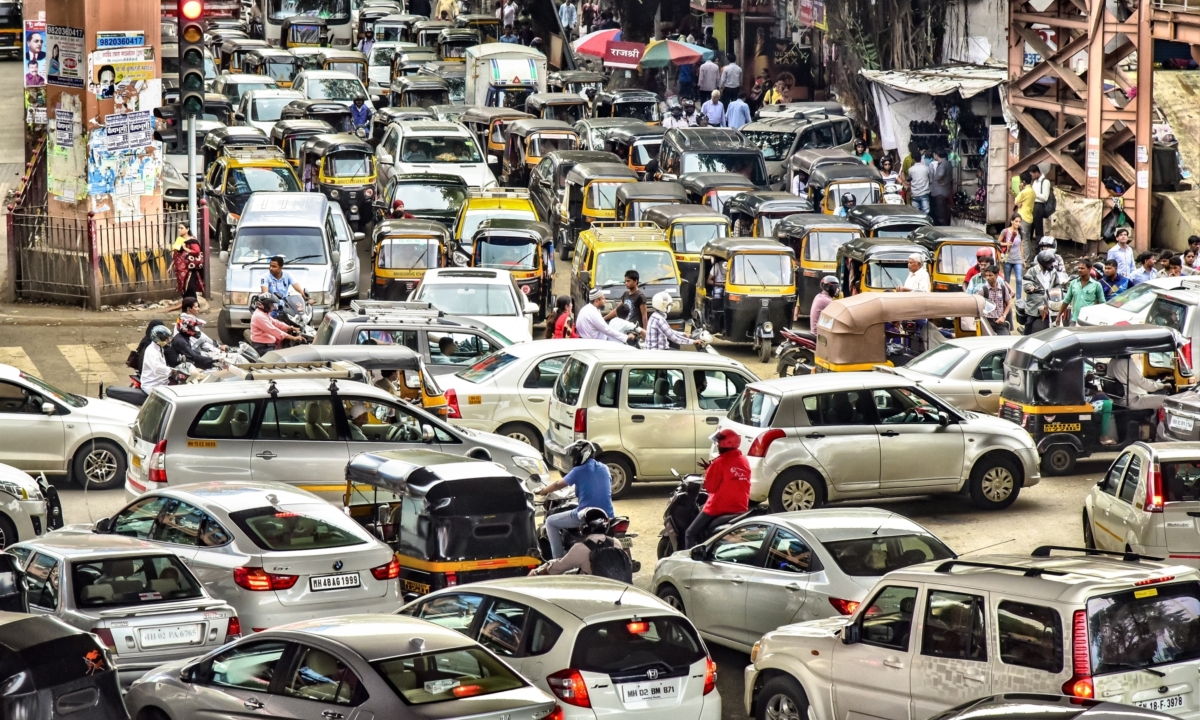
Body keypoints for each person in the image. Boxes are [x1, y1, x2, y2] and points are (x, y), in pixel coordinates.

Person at [534, 440, 614, 559]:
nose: (572, 459)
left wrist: (543, 491)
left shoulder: (578, 471)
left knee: (550, 522)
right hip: (609, 515)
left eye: (574, 456)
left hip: (586, 515)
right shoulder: (604, 468)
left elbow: (557, 485)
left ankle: (558, 560)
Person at [684, 428, 750, 549]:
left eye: (718, 443)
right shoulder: (744, 460)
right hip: (741, 506)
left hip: (719, 507)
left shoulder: (719, 462)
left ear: (725, 443)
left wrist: (709, 470)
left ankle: (689, 561)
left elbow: (711, 488)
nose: (717, 445)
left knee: (689, 533)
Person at [529, 507, 629, 580]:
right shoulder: (615, 542)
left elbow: (556, 568)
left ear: (585, 527)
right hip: (618, 589)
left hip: (596, 593)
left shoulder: (580, 548)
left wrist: (536, 573)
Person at [1022, 250, 1064, 335]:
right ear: (1043, 263)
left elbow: (1057, 284)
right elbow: (1026, 283)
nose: (1051, 265)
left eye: (1052, 263)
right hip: (1036, 301)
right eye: (1049, 263)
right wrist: (1030, 287)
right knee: (1029, 322)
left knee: (1057, 318)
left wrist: (1059, 290)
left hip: (1050, 300)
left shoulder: (1053, 272)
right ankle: (1025, 337)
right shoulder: (1032, 271)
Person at [1063, 258, 1105, 325]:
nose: (1079, 270)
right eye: (1079, 268)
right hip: (1075, 319)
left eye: (1082, 268)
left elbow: (1102, 303)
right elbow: (1066, 300)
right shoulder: (1073, 283)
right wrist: (1059, 315)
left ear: (1089, 269)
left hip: (1089, 320)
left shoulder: (1097, 285)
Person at [974, 265, 1014, 335]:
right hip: (987, 322)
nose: (987, 278)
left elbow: (1008, 304)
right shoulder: (983, 290)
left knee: (1006, 340)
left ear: (996, 275)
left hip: (1000, 321)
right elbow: (976, 303)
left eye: (990, 275)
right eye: (986, 276)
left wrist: (1003, 316)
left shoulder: (1003, 289)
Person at [141, 325, 174, 394]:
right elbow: (157, 368)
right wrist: (172, 371)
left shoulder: (159, 348)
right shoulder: (152, 351)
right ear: (158, 339)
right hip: (152, 385)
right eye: (166, 339)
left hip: (161, 381)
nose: (168, 341)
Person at [172, 229, 204, 299]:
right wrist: (171, 265)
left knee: (189, 287)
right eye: (179, 228)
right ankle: (187, 305)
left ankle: (193, 305)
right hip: (180, 269)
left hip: (190, 267)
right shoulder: (179, 239)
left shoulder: (192, 240)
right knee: (183, 288)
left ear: (187, 229)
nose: (179, 230)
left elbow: (196, 252)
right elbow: (176, 254)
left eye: (181, 228)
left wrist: (185, 248)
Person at [999, 213, 1023, 299]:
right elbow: (998, 243)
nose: (1018, 223)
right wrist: (1006, 244)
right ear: (1012, 221)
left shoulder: (1020, 232)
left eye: (1019, 222)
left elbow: (1021, 246)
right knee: (1007, 280)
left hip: (1018, 259)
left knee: (1019, 280)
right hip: (1007, 258)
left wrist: (1023, 260)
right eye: (1016, 221)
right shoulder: (1005, 231)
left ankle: (1019, 300)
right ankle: (1007, 297)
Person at [1014, 172, 1035, 265]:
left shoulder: (1024, 192)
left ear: (1023, 182)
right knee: (1027, 239)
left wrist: (1020, 190)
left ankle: (1026, 259)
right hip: (1029, 216)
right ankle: (1028, 258)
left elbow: (1016, 201)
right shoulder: (1032, 191)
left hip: (1023, 216)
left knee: (1024, 239)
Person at [930, 148, 953, 225]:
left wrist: (937, 179)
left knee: (940, 214)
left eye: (934, 154)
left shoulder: (943, 164)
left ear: (936, 155)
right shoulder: (947, 163)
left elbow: (940, 174)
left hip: (940, 192)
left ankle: (944, 229)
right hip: (944, 191)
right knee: (943, 212)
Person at [1030, 166, 1052, 242]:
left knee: (1038, 230)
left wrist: (1034, 194)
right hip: (1033, 205)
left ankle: (1039, 249)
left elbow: (1045, 197)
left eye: (1032, 174)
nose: (1031, 176)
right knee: (1030, 227)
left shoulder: (1045, 182)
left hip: (1039, 206)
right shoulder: (1035, 182)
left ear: (1036, 172)